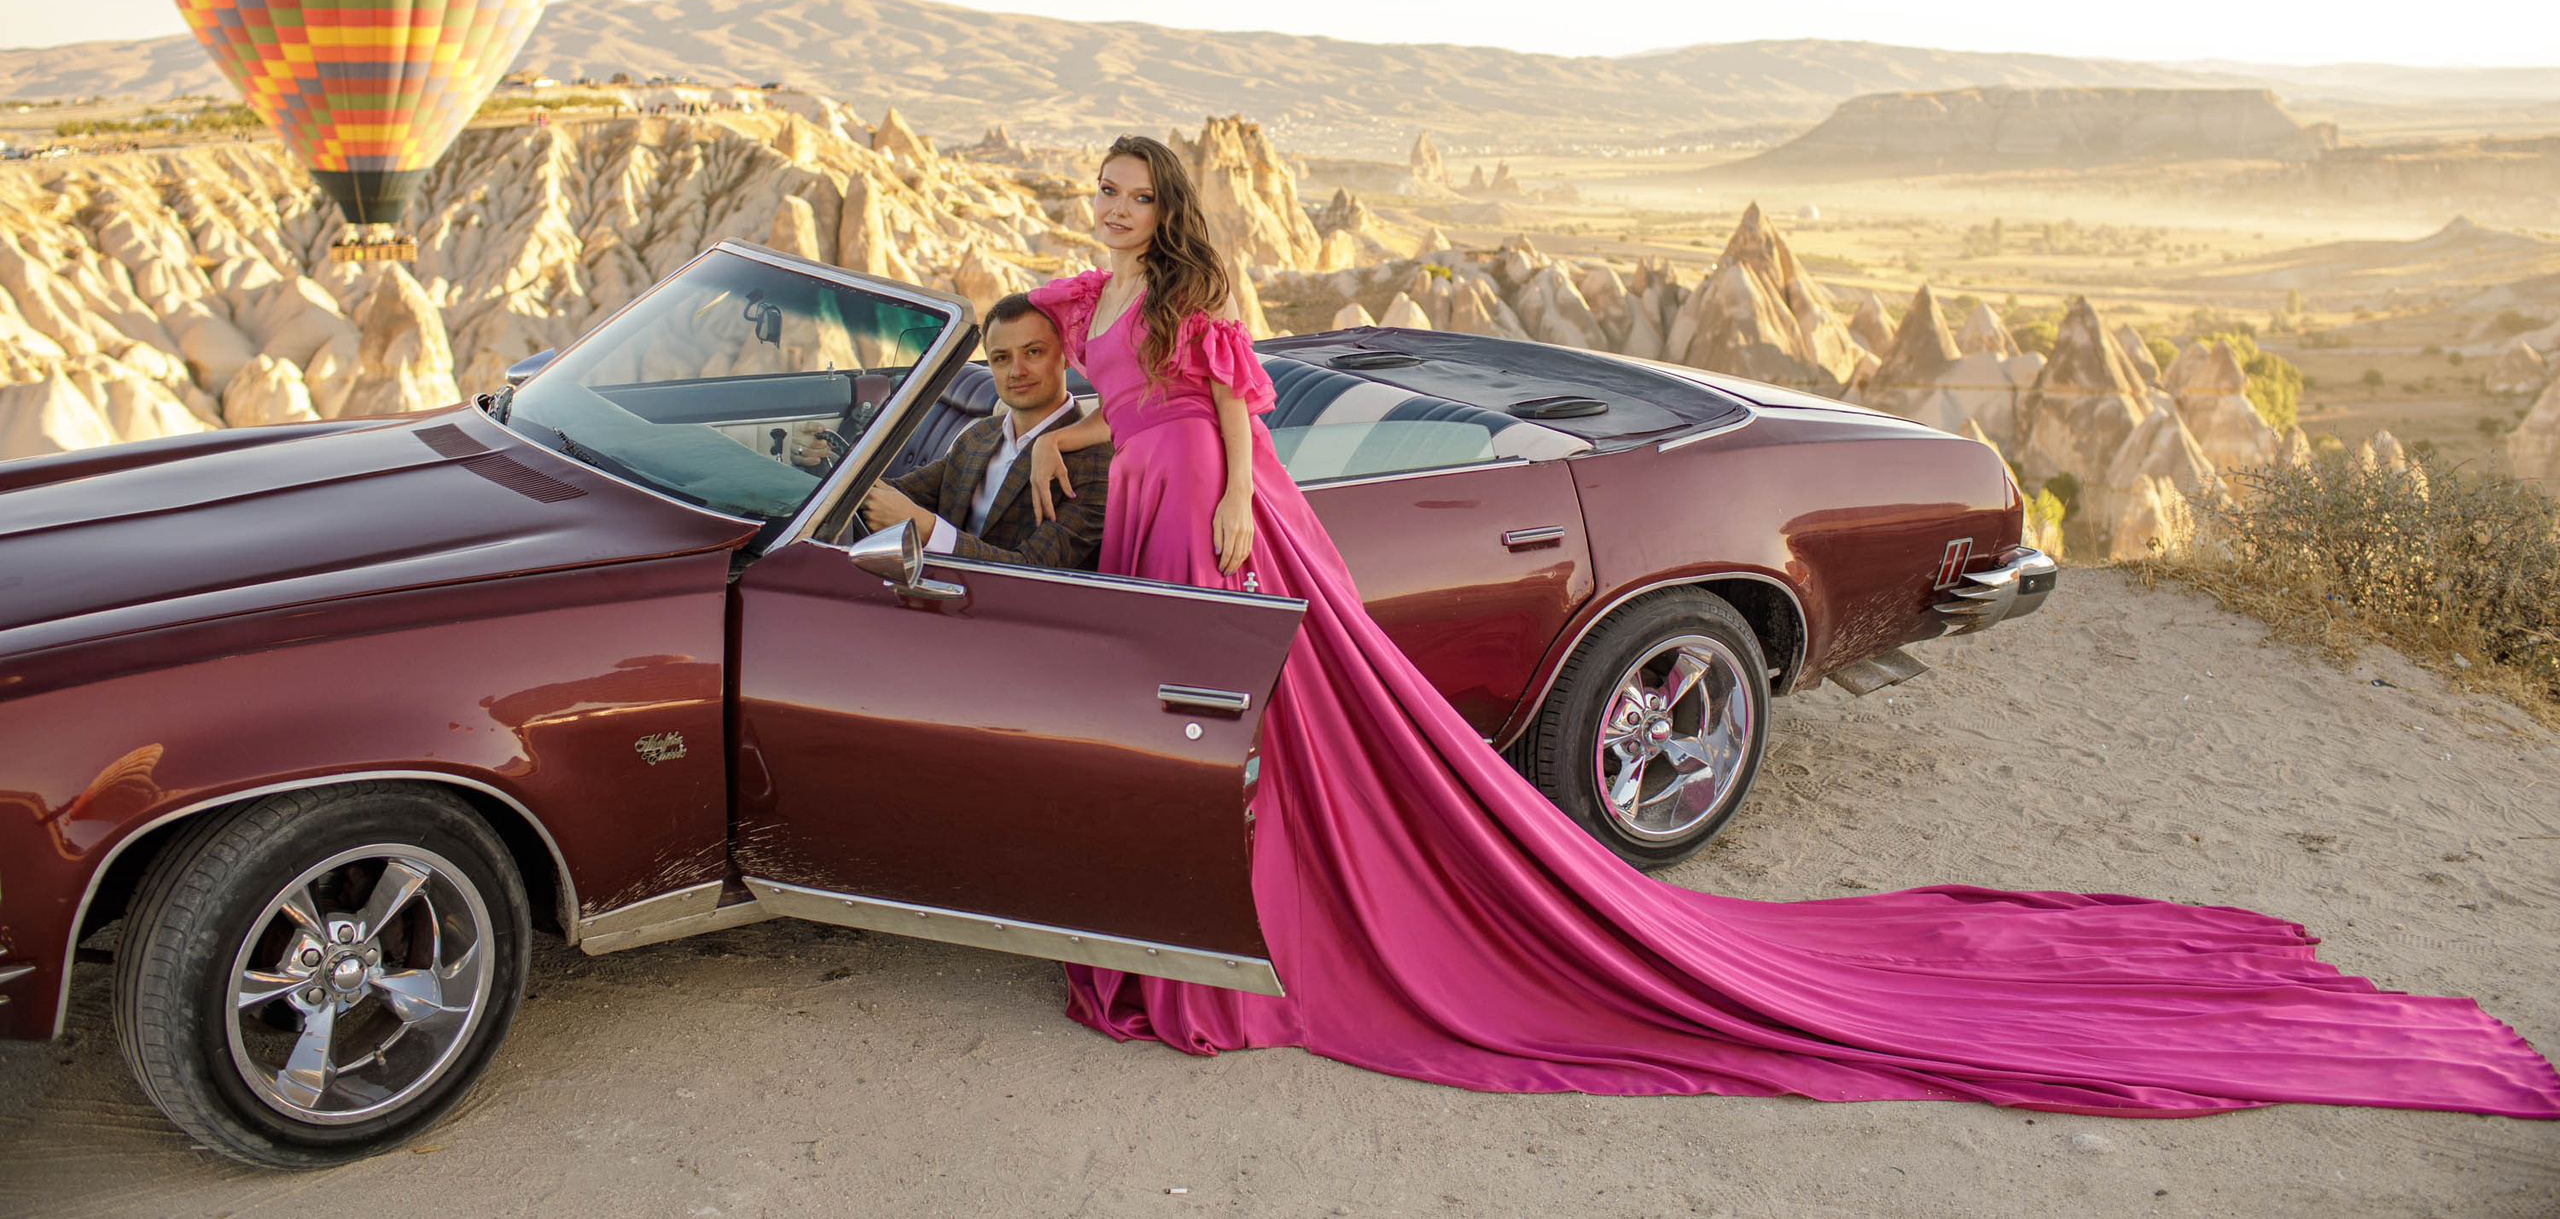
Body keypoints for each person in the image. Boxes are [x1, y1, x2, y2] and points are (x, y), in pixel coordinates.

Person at [1014, 133, 2560, 1120]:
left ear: (1174, 204)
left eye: (1132, 193)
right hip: (1137, 488)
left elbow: (1224, 405)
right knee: (1201, 713)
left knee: (1238, 717)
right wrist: (1050, 433)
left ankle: (1206, 934)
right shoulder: (1105, 286)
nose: (1111, 209)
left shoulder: (1203, 297)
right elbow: (1059, 346)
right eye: (1103, 191)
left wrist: (1227, 506)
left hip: (1216, 506)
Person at [861, 292, 1111, 570]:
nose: (1017, 371)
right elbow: (896, 492)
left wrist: (926, 528)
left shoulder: (1099, 462)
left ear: (1067, 356)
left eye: (1033, 352)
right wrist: (815, 462)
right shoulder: (978, 436)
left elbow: (1032, 569)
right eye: (1002, 358)